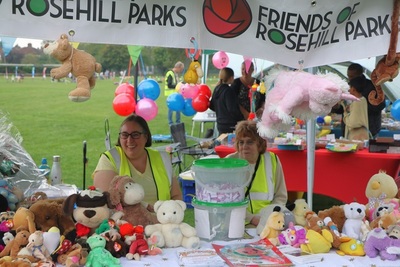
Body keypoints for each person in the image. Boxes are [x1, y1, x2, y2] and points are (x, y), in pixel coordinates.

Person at [93, 114, 182, 212]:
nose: (129, 140)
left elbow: (176, 195)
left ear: (146, 137)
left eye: (135, 135)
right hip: (125, 225)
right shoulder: (110, 158)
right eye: (124, 135)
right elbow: (107, 202)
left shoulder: (162, 158)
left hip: (163, 223)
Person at [226, 120, 288, 226]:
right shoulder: (229, 162)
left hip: (268, 221)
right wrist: (251, 218)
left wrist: (270, 216)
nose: (244, 146)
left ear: (259, 144)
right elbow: (226, 199)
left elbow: (280, 196)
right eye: (241, 142)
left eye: (250, 142)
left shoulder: (273, 159)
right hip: (236, 223)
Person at [347, 63, 386, 138]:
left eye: (352, 76)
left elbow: (381, 105)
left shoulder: (373, 87)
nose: (349, 78)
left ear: (360, 74)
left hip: (369, 129)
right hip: (351, 129)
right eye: (348, 76)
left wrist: (361, 106)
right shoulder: (348, 86)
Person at [209, 67, 244, 134]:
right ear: (231, 78)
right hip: (230, 124)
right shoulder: (228, 91)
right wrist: (241, 118)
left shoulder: (217, 89)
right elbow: (232, 109)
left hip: (220, 123)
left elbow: (211, 105)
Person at [343, 75, 370, 141]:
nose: (349, 89)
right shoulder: (363, 100)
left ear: (353, 88)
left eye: (350, 87)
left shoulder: (357, 103)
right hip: (361, 136)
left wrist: (345, 113)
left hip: (357, 138)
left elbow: (352, 123)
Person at [165, 61, 185, 125]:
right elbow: (169, 85)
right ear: (177, 67)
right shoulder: (170, 73)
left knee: (178, 108)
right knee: (171, 109)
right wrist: (177, 86)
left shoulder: (175, 74)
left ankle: (178, 121)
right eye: (181, 69)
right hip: (170, 95)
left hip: (176, 94)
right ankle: (170, 122)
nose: (181, 71)